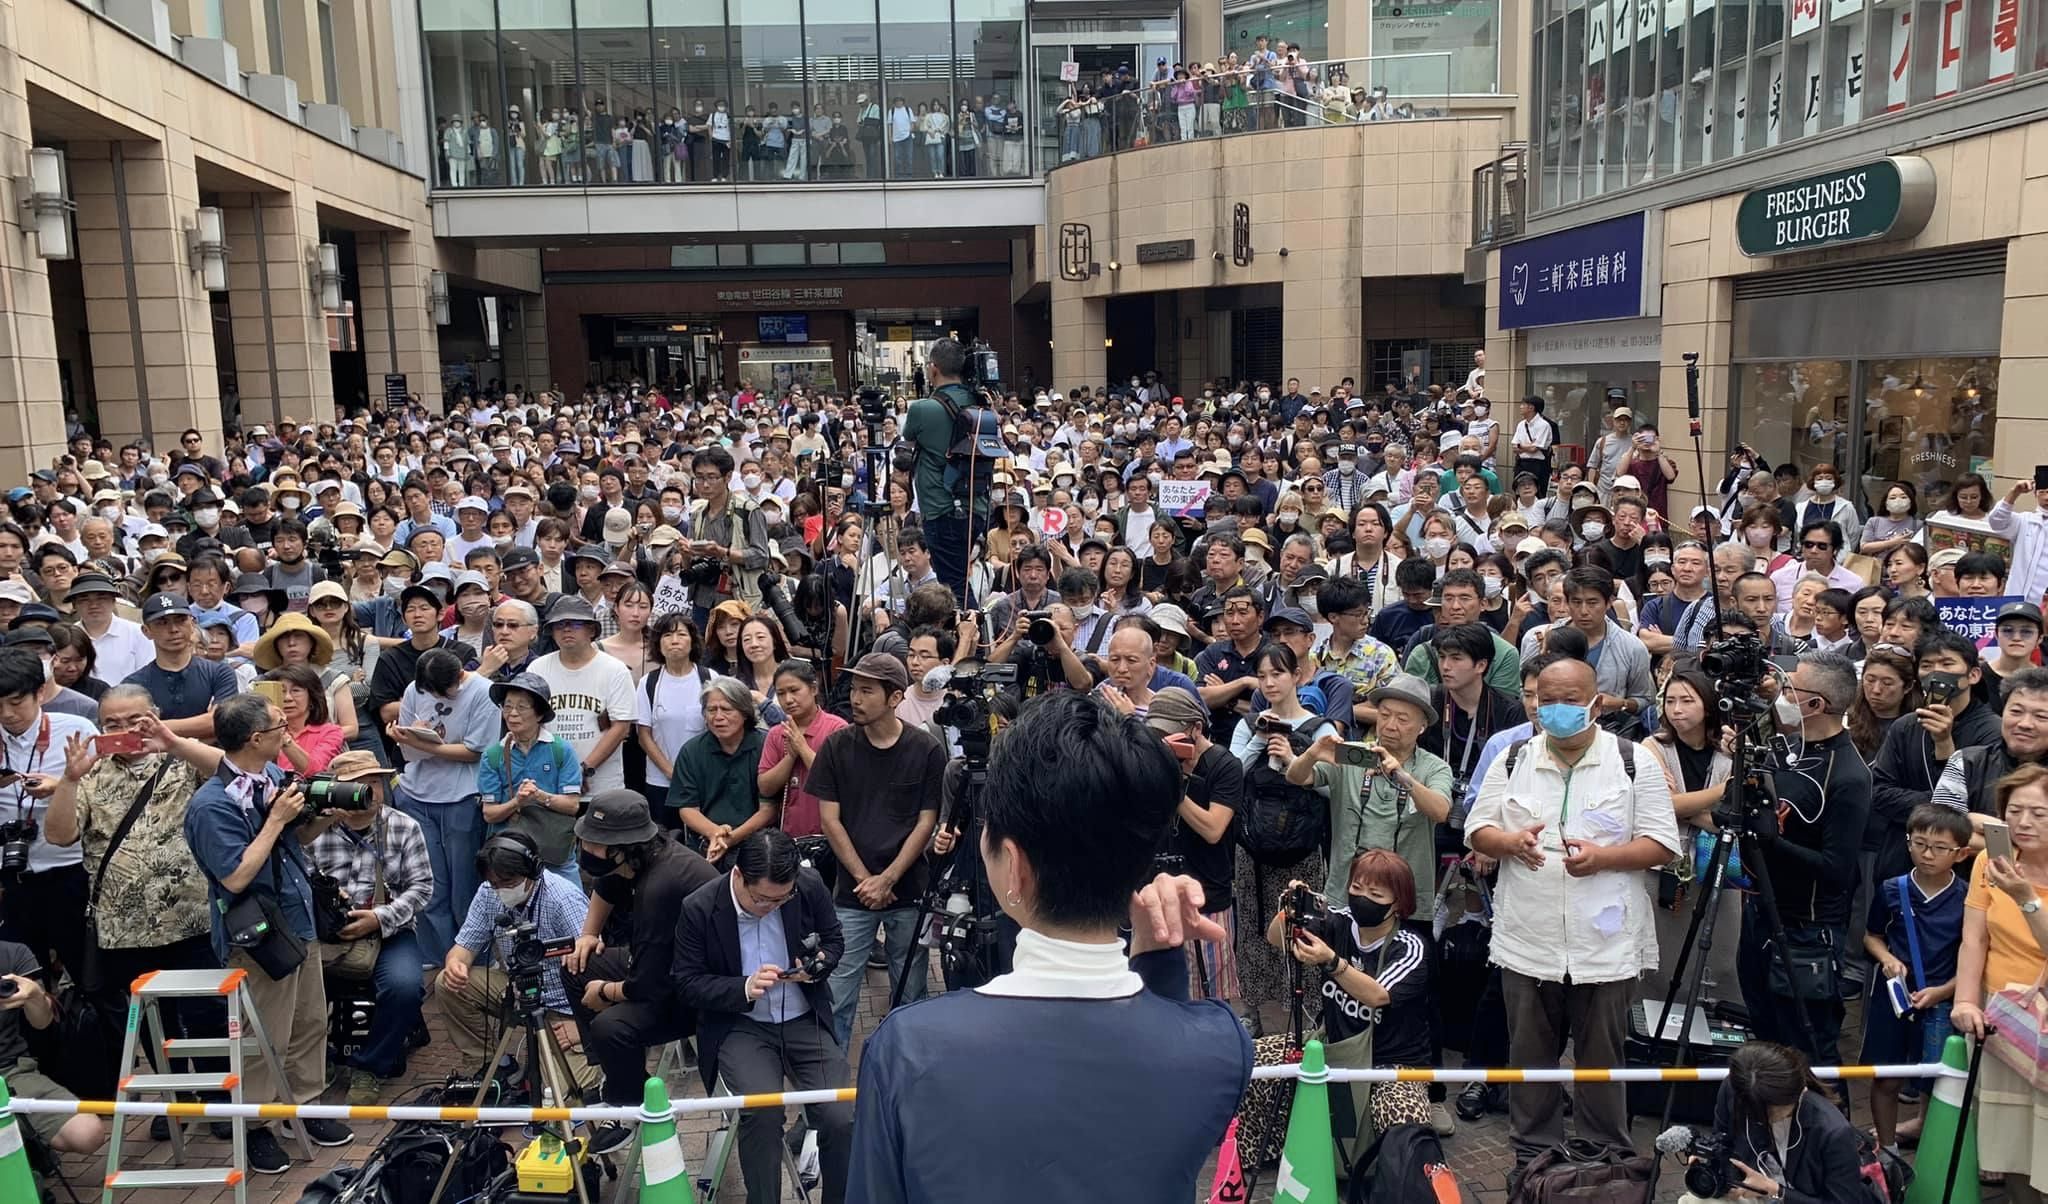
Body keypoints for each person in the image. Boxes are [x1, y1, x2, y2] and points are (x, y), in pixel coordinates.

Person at [847, 690, 1250, 1202]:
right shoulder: (1220, 1044)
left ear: (1014, 866)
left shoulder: (908, 1047)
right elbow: (1159, 1089)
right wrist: (1158, 960)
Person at [1467, 656, 1679, 1176]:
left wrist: (1604, 858)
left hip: (1605, 943)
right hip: (1527, 940)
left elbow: (1662, 844)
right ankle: (1533, 1157)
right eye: (1545, 700)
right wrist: (1509, 843)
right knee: (1529, 1055)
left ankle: (1603, 1158)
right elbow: (1477, 828)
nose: (1555, 710)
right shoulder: (1513, 757)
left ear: (1596, 704)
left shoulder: (1632, 761)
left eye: (1569, 700)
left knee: (1602, 1056)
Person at [182, 692, 354, 1173]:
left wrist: (320, 818)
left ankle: (305, 1106)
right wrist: (276, 820)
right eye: (280, 728)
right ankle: (256, 1124)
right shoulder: (211, 805)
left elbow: (294, 841)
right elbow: (236, 876)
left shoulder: (272, 778)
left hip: (297, 915)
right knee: (264, 1035)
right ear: (256, 739)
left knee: (309, 1021)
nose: (288, 735)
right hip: (256, 934)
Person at [674, 829, 854, 1204]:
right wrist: (743, 987)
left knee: (841, 1116)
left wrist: (818, 965)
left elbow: (835, 940)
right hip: (742, 1026)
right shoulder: (699, 907)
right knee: (762, 1113)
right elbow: (687, 983)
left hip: (803, 1017)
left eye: (782, 899)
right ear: (738, 876)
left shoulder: (807, 885)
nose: (772, 906)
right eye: (761, 899)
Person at [563, 791, 718, 1151]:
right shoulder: (640, 857)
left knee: (610, 1026)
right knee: (576, 966)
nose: (585, 848)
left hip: (695, 992)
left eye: (594, 844)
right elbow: (606, 887)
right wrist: (588, 935)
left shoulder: (660, 888)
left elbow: (646, 985)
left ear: (623, 848)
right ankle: (617, 1075)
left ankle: (630, 1107)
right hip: (663, 966)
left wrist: (605, 993)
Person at [1739, 650, 1870, 1072]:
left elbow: (1837, 869)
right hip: (1759, 913)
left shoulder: (1849, 774)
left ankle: (1825, 1117)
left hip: (1807, 932)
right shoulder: (1788, 750)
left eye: (1790, 687)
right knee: (1763, 1040)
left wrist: (1772, 842)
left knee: (1808, 1052)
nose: (1781, 693)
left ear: (1815, 704)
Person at [1265, 849, 1435, 1165]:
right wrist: (1289, 910)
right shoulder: (1338, 920)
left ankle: (1391, 1180)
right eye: (1356, 887)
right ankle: (1274, 1155)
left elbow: (1378, 995)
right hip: (1331, 1048)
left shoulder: (1410, 947)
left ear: (1397, 904)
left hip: (1392, 1063)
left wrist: (1332, 962)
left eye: (1375, 894)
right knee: (1258, 1062)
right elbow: (1276, 938)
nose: (1362, 898)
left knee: (1404, 1120)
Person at [811, 653, 945, 1047]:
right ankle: (830, 1080)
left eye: (867, 691)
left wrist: (888, 878)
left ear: (895, 697)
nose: (855, 698)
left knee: (911, 992)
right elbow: (829, 821)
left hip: (909, 889)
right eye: (854, 689)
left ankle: (905, 1067)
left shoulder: (925, 749)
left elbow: (926, 821)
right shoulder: (836, 747)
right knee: (838, 993)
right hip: (852, 893)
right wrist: (865, 880)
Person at [306, 751, 434, 1105]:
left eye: (376, 781)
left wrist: (380, 918)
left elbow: (422, 888)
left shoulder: (404, 826)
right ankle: (317, 1059)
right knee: (297, 987)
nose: (370, 791)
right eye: (359, 784)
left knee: (405, 987)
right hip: (325, 933)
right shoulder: (311, 832)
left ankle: (370, 1066)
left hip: (389, 930)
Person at [437, 830, 596, 1098]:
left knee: (564, 1096)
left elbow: (598, 971)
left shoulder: (563, 898)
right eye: (494, 883)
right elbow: (462, 948)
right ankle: (493, 1065)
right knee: (446, 983)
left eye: (508, 882)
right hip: (518, 991)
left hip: (566, 1007)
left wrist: (583, 1028)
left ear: (532, 871)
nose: (501, 890)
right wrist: (455, 965)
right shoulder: (488, 893)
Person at [1952, 762, 2048, 1201]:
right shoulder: (1991, 861)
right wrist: (1966, 1001)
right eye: (2014, 812)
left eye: (2039, 814)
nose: (2024, 823)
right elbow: (1974, 938)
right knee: (2010, 1144)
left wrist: (2025, 898)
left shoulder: (2016, 880)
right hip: (2004, 1017)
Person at [1289, 673, 1452, 919]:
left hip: (1405, 901)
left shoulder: (1434, 767)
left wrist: (1402, 777)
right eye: (1384, 715)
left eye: (1402, 719)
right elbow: (1296, 777)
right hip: (1345, 893)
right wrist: (1311, 754)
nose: (1390, 725)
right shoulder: (1352, 755)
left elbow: (1440, 811)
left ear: (1422, 727)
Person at [1860, 804, 1970, 1154]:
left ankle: (1934, 1146)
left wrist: (1944, 991)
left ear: (1961, 853)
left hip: (1943, 1000)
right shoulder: (1892, 889)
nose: (1927, 854)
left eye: (1939, 848)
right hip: (1894, 998)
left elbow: (1975, 957)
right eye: (1919, 843)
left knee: (1938, 1079)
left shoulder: (1968, 898)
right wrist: (1888, 958)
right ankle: (1887, 1149)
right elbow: (1872, 936)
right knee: (1885, 1076)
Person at [390, 647, 497, 965]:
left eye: (443, 691)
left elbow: (476, 751)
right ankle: (436, 959)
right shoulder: (415, 689)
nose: (436, 696)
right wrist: (405, 737)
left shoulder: (483, 691)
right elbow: (407, 745)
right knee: (430, 884)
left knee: (465, 885)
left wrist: (419, 742)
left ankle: (472, 959)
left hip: (462, 795)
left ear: (460, 676)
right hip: (417, 792)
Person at [1674, 1042, 1868, 1203]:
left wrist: (1775, 1190)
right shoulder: (1733, 1088)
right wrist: (1713, 1160)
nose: (1762, 1119)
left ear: (1800, 1092)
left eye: (1771, 1113)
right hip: (1749, 1192)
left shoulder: (1832, 1131)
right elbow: (1723, 1138)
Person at [1144, 686, 1241, 1005]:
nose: (1163, 742)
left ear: (1195, 728)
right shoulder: (1156, 761)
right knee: (1167, 989)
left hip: (1207, 892)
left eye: (1169, 735)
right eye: (1157, 735)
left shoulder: (1224, 765)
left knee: (1212, 994)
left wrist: (1175, 789)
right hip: (1161, 888)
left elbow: (1214, 829)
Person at [903, 338, 1005, 602]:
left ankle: (970, 628)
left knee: (954, 587)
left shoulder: (922, 409)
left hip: (943, 508)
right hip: (977, 506)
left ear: (933, 368)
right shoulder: (981, 402)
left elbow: (909, 437)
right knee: (959, 579)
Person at [480, 671, 585, 887]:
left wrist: (539, 796)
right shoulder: (493, 755)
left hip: (555, 849)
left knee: (570, 900)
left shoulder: (561, 750)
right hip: (509, 854)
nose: (512, 714)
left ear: (539, 715)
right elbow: (489, 814)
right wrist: (517, 802)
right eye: (507, 706)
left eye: (522, 707)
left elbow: (572, 805)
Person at [530, 596, 638, 794]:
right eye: (559, 625)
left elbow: (621, 727)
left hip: (602, 786)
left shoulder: (615, 669)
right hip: (550, 782)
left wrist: (584, 769)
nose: (566, 630)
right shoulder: (537, 668)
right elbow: (531, 723)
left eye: (575, 623)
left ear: (592, 630)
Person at [669, 675, 772, 858]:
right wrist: (715, 833)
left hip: (757, 845)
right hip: (706, 842)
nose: (718, 717)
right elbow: (687, 808)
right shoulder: (692, 751)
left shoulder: (765, 746)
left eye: (726, 709)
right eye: (711, 710)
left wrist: (732, 838)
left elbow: (769, 809)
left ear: (744, 712)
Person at [124, 591, 238, 737]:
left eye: (180, 620)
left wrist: (153, 726)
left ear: (192, 624)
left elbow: (220, 722)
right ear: (146, 631)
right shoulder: (134, 684)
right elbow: (130, 730)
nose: (174, 629)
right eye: (162, 623)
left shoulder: (219, 672)